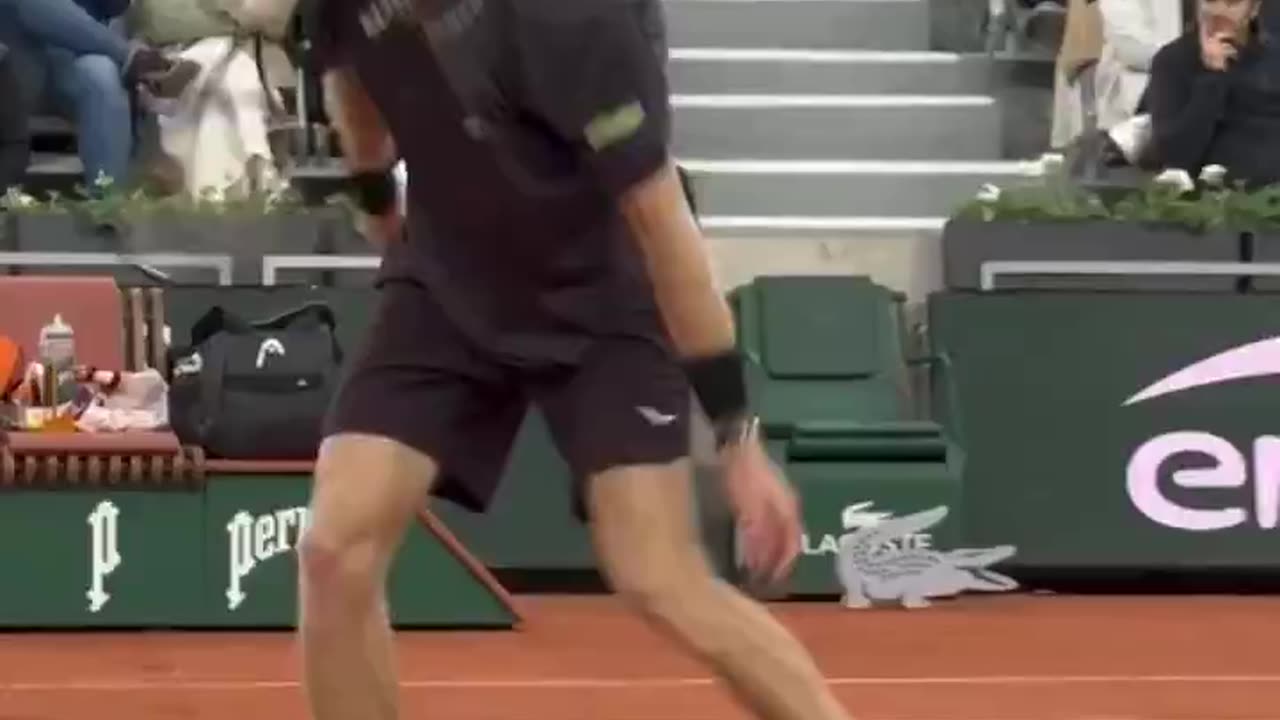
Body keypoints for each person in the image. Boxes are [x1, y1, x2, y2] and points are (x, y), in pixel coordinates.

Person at [296, 1, 856, 720]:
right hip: (448, 279)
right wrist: (375, 193)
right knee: (333, 552)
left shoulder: (572, 19)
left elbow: (663, 226)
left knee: (660, 579)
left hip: (603, 296)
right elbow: (353, 76)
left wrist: (737, 438)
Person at [0, 0, 199, 185]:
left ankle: (108, 208)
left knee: (101, 74)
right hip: (14, 69)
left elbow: (116, 6)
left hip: (74, 57)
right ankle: (136, 60)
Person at [1147, 0, 1276, 185]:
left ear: (1254, 9)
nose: (1218, 11)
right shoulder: (1172, 61)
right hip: (1210, 199)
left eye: (1232, 3)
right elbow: (1174, 155)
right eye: (1210, 1)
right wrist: (1213, 75)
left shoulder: (1272, 59)